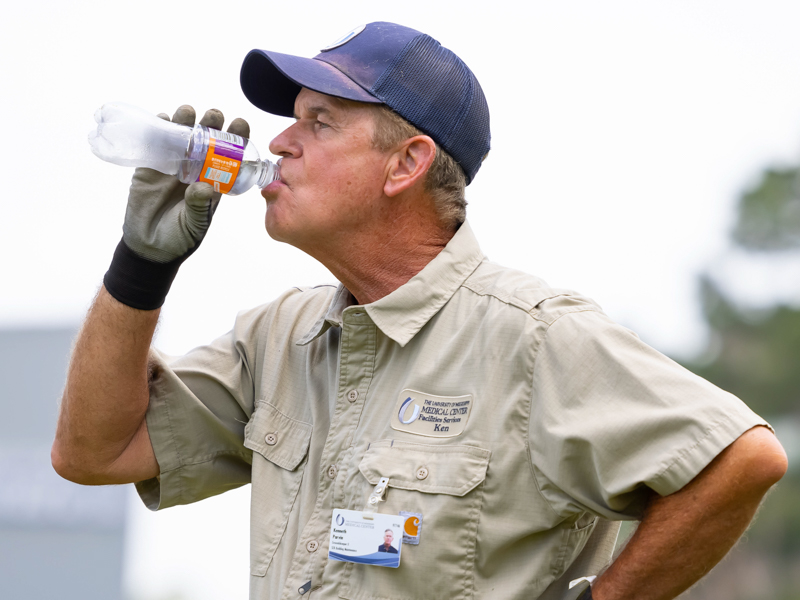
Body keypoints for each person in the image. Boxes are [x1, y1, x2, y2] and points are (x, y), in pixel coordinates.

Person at [52, 21, 787, 600]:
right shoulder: (279, 337)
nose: (277, 142)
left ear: (405, 164)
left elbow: (742, 459)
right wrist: (143, 263)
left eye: (320, 121)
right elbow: (91, 453)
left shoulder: (532, 337)